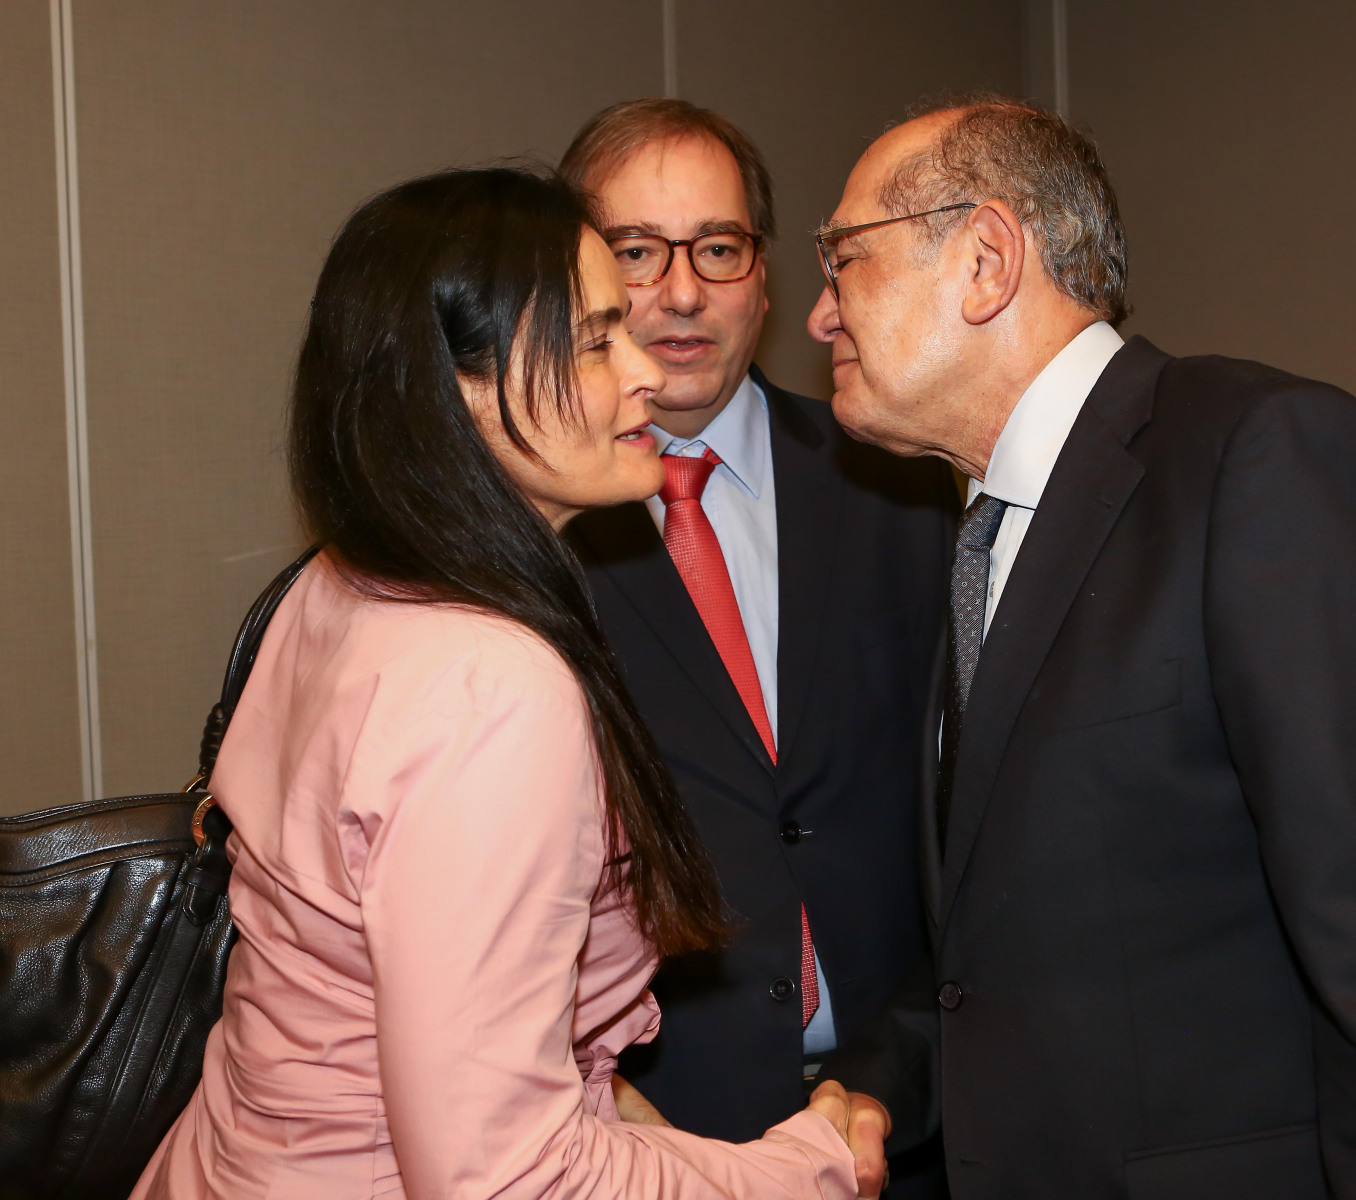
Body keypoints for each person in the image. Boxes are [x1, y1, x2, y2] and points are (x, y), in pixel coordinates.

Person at [804, 98, 1356, 1199]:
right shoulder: (984, 534)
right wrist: (879, 1079)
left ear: (986, 260)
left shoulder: (1263, 459)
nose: (820, 314)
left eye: (844, 260)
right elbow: (1013, 939)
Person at [130, 167, 860, 1200]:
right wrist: (809, 1170)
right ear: (459, 389)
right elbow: (505, 1178)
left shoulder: (341, 581)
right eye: (596, 341)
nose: (643, 373)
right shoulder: (489, 688)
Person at [559, 100, 956, 1196]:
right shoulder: (533, 533)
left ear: (766, 278)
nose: (682, 292)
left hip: (908, 1121)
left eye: (718, 249)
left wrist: (898, 1071)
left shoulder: (902, 484)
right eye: (636, 252)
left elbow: (969, 809)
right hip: (657, 1136)